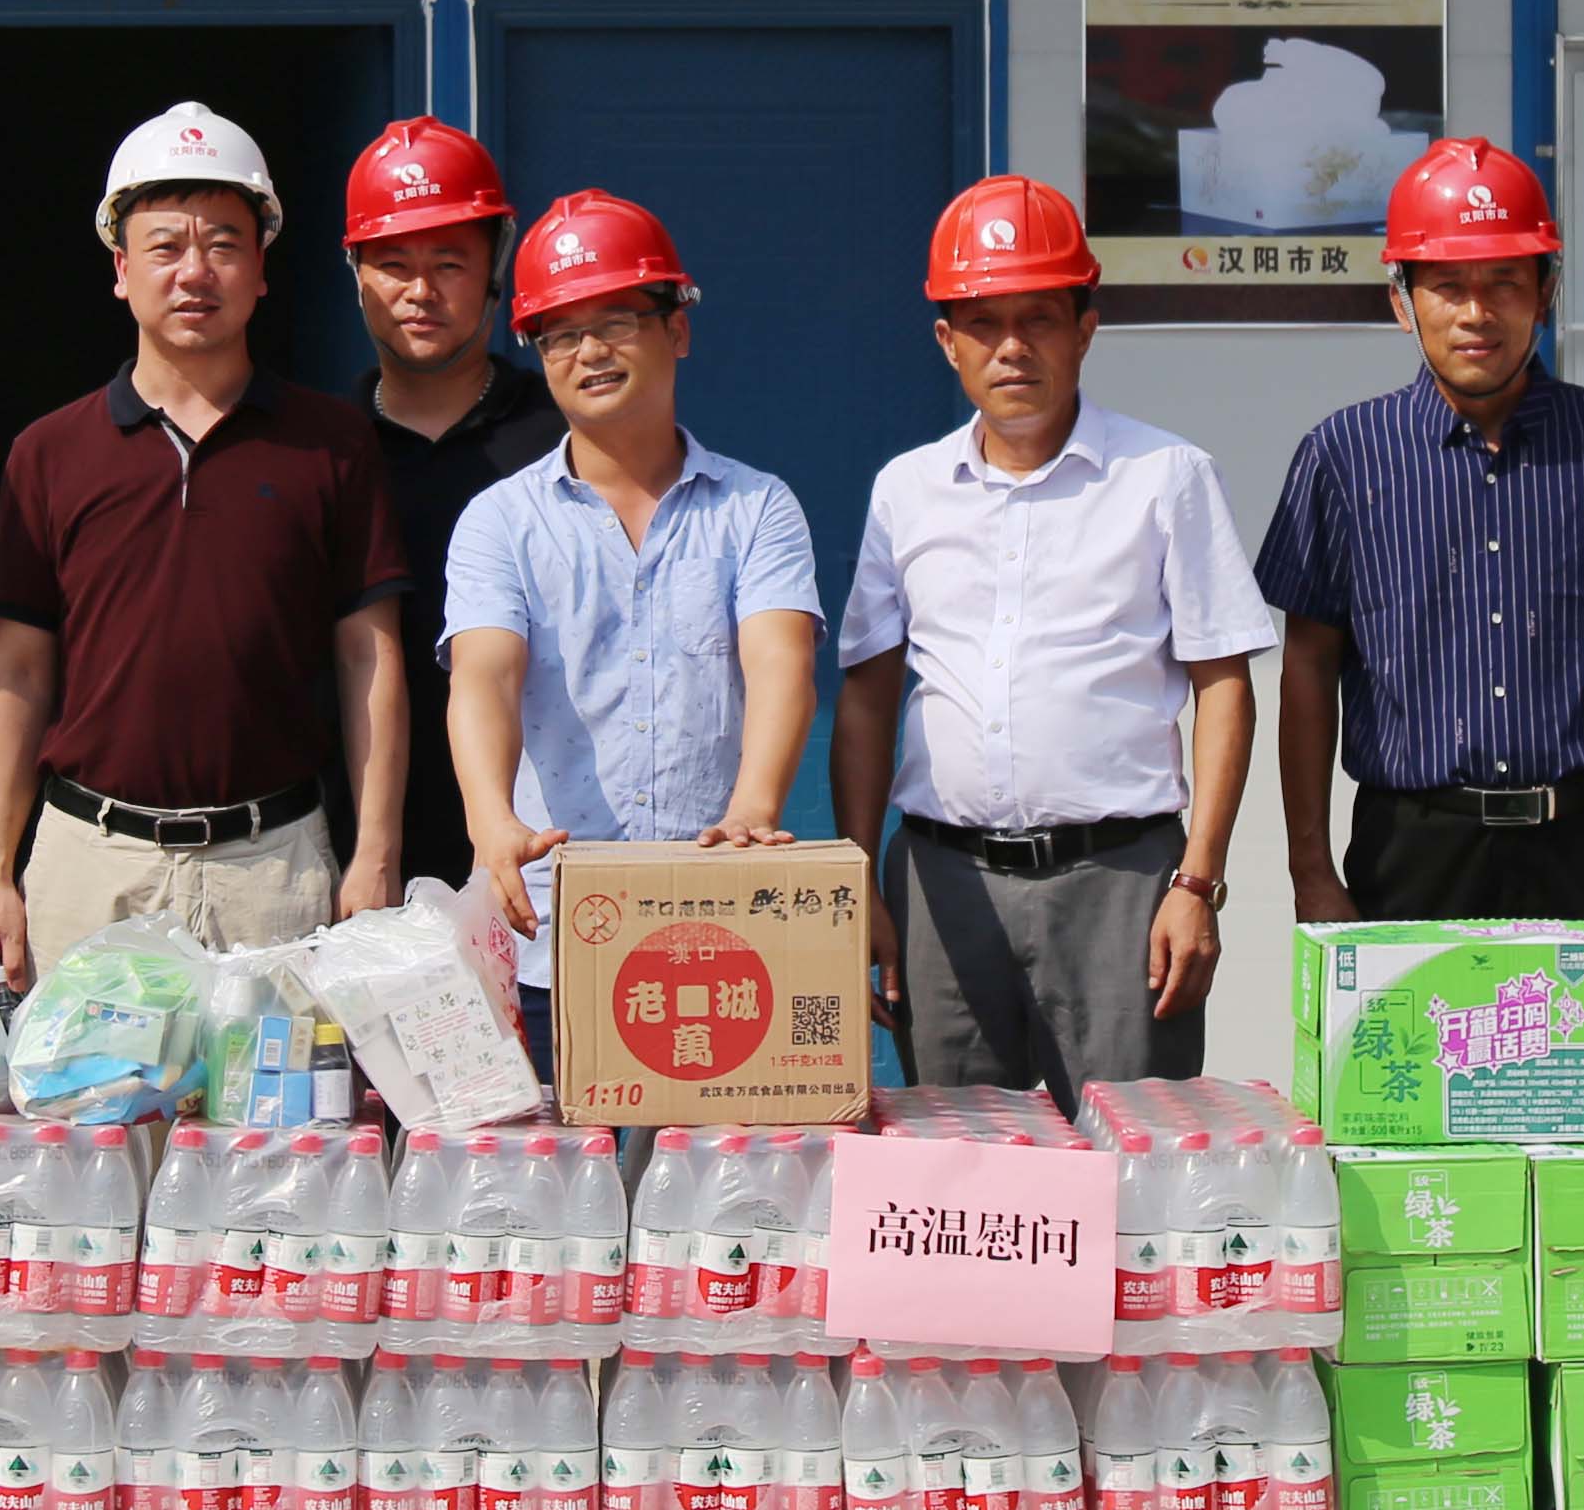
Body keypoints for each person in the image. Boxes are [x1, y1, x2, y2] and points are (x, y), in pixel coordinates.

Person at [834, 175, 1277, 1093]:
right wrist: (857, 883)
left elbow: (1224, 686)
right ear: (947, 342)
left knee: (1131, 1151)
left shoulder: (1166, 476)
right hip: (941, 887)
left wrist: (1198, 883)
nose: (1012, 347)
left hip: (1122, 884)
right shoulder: (906, 490)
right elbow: (869, 696)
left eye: (1039, 318)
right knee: (958, 1159)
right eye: (983, 323)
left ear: (1085, 329)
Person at [0, 103, 407, 990]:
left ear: (262, 269)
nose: (194, 272)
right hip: (91, 868)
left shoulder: (331, 444)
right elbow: (17, 672)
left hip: (274, 867)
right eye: (165, 247)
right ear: (120, 270)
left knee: (280, 1090)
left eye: (224, 245)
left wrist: (376, 855)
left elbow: (369, 654)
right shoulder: (50, 453)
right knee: (82, 1090)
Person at [1256, 137, 1584, 978]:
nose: (1476, 312)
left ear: (1545, 293)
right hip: (1410, 860)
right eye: (1448, 285)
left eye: (1504, 282)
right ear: (1402, 300)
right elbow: (1309, 668)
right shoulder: (1344, 457)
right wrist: (1311, 870)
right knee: (1411, 1071)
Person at [443, 192, 827, 1074]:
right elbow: (484, 676)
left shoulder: (756, 508)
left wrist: (754, 808)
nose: (590, 352)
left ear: (676, 330)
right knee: (557, 1162)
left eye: (616, 322)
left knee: (707, 1164)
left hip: (719, 923)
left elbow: (781, 662)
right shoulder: (500, 522)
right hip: (549, 937)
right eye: (560, 334)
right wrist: (491, 821)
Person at [345, 115, 560, 896]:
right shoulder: (320, 449)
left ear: (496, 265)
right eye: (393, 264)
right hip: (355, 849)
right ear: (355, 273)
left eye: (448, 263)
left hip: (539, 842)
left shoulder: (565, 437)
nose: (420, 291)